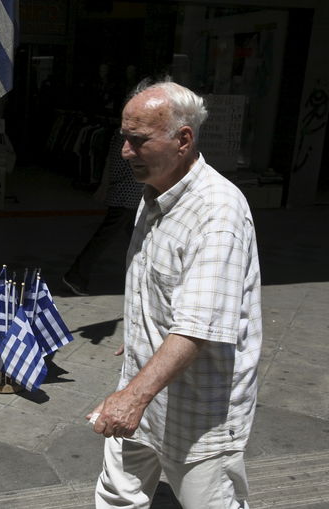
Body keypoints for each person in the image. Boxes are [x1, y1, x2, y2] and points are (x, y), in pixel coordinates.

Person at [87, 80, 262, 509]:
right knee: (117, 495)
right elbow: (161, 284)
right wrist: (142, 333)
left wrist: (132, 397)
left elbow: (198, 326)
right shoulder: (155, 192)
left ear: (183, 140)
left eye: (138, 141)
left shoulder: (218, 212)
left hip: (198, 410)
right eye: (123, 139)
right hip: (145, 385)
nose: (125, 152)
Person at [62, 129, 144, 296]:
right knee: (105, 238)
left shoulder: (122, 135)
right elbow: (134, 163)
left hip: (128, 195)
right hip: (126, 196)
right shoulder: (128, 138)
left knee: (139, 240)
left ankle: (145, 279)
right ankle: (75, 276)